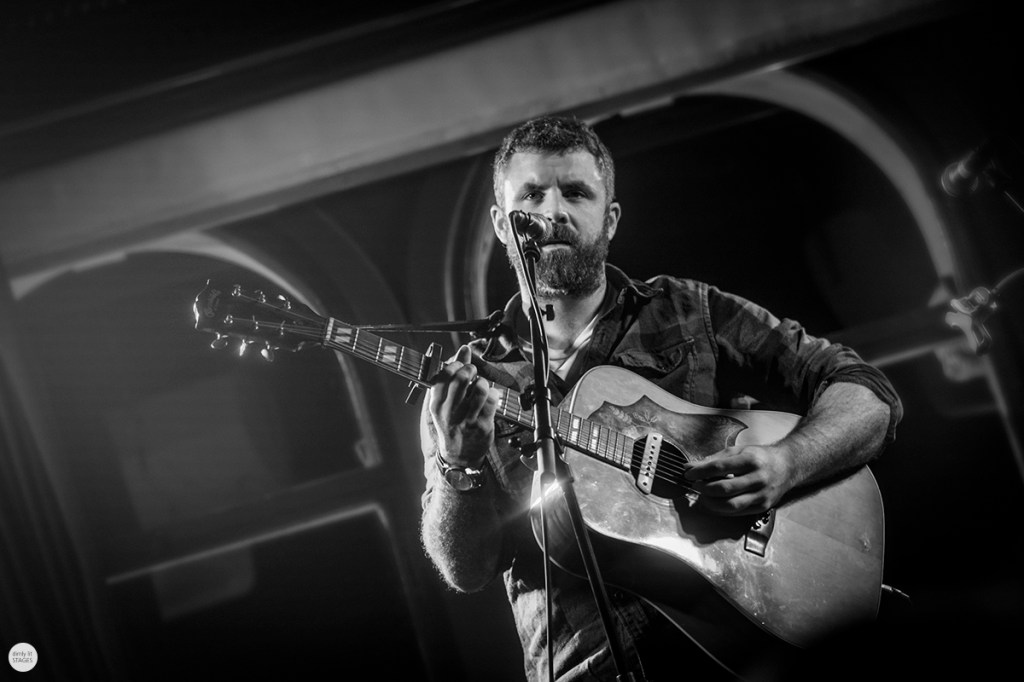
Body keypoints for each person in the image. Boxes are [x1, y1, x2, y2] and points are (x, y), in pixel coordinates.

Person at [419, 115, 902, 682]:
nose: (553, 213)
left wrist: (786, 462)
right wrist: (457, 463)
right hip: (589, 667)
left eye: (576, 193)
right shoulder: (469, 382)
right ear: (503, 224)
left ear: (610, 218)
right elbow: (466, 570)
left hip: (750, 650)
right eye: (532, 196)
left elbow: (868, 393)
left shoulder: (687, 309)